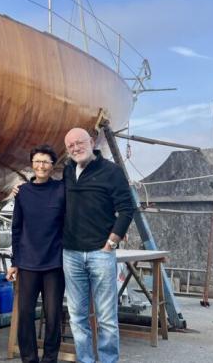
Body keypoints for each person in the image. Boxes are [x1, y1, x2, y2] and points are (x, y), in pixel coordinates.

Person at [62, 127, 136, 363]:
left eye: (79, 142)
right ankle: (85, 360)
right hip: (71, 254)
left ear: (92, 142)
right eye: (70, 145)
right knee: (76, 317)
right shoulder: (67, 172)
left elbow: (127, 208)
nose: (75, 148)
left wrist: (111, 243)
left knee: (106, 318)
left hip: (100, 253)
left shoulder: (111, 172)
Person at [7, 144, 65, 363]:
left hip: (54, 263)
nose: (41, 166)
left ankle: (50, 359)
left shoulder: (62, 189)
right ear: (32, 165)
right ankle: (29, 359)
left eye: (46, 162)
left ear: (52, 166)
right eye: (37, 161)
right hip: (28, 263)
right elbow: (16, 228)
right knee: (25, 315)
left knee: (52, 316)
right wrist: (15, 262)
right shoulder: (22, 193)